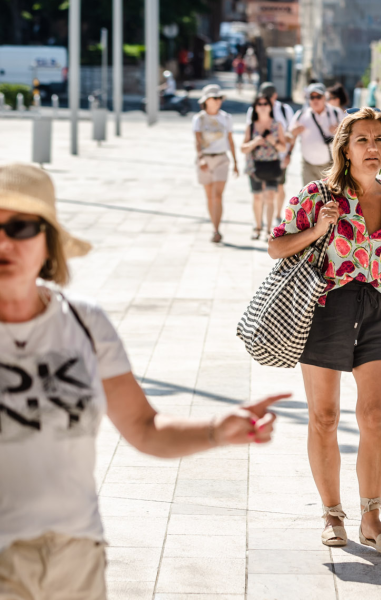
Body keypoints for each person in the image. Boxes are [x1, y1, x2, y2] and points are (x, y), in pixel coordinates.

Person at [0, 163, 287, 600]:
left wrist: (215, 430)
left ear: (48, 242)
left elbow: (143, 428)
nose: (4, 241)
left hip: (75, 555)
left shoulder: (84, 322)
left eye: (20, 226)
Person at [268, 108, 381, 554]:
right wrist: (318, 229)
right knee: (325, 416)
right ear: (345, 150)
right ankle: (332, 514)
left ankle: (372, 517)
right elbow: (276, 246)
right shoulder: (317, 196)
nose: (373, 148)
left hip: (378, 311)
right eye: (364, 141)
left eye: (380, 140)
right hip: (327, 307)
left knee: (375, 415)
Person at [192, 84, 239, 243]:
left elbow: (231, 141)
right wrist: (200, 158)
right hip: (205, 159)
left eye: (220, 98)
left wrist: (235, 162)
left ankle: (216, 229)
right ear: (206, 101)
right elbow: (197, 141)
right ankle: (214, 226)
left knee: (217, 196)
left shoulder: (226, 118)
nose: (218, 101)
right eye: (215, 98)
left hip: (221, 159)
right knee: (209, 196)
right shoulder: (199, 118)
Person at [248, 82, 297, 226]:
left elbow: (291, 133)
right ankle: (260, 223)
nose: (266, 100)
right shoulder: (255, 109)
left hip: (279, 157)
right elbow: (250, 130)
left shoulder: (284, 109)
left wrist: (289, 153)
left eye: (269, 97)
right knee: (260, 193)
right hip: (258, 158)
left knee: (279, 187)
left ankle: (276, 215)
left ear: (275, 96)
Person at [242, 95, 290, 240]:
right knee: (257, 197)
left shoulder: (277, 125)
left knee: (270, 197)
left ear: (270, 107)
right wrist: (254, 143)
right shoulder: (251, 126)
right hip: (254, 165)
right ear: (255, 107)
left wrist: (273, 141)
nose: (262, 106)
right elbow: (243, 148)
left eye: (265, 103)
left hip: (272, 165)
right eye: (259, 104)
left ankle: (269, 230)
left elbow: (282, 148)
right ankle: (257, 227)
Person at [290, 83, 344, 185]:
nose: (315, 100)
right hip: (308, 165)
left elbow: (349, 136)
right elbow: (289, 136)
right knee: (310, 199)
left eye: (318, 97)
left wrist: (339, 132)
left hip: (330, 166)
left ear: (325, 97)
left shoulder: (336, 113)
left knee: (329, 199)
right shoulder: (301, 115)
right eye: (312, 97)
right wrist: (294, 132)